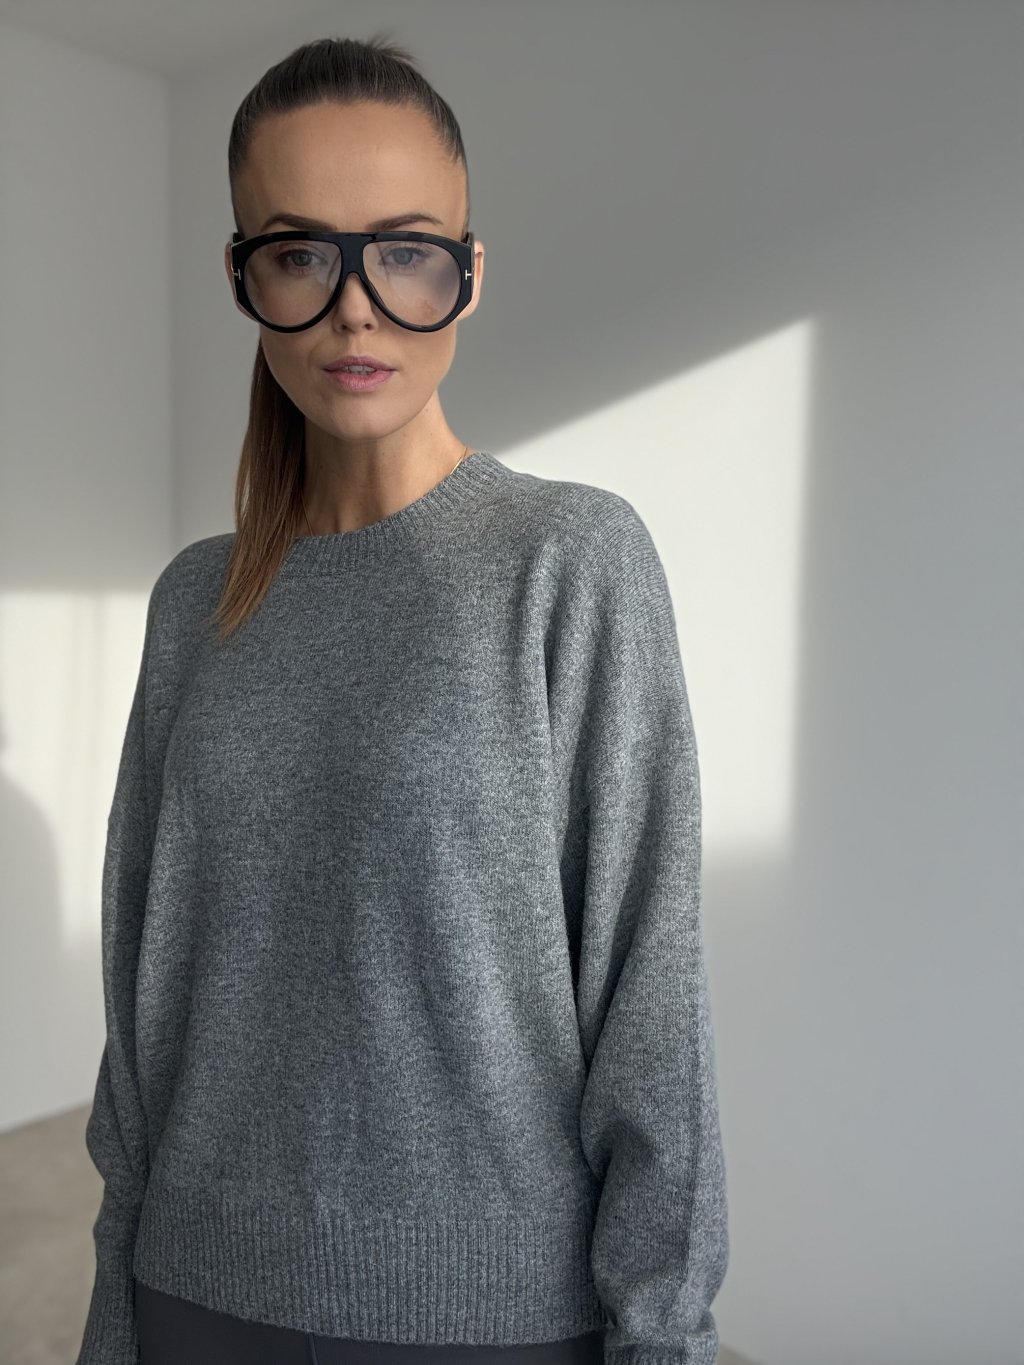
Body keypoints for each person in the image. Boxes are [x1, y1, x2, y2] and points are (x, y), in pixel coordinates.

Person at [74, 30, 729, 1365]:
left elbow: (651, 1011)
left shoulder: (570, 562)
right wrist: (114, 1317)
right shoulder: (193, 603)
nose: (356, 308)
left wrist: (661, 1336)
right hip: (194, 1287)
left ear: (470, 273)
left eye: (407, 251)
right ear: (244, 276)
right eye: (302, 253)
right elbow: (144, 1000)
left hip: (487, 1317)